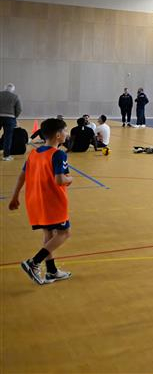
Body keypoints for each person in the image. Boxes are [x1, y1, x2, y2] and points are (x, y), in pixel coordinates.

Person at [7, 118, 73, 285]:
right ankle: (34, 262)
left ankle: (51, 271)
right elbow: (59, 180)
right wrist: (69, 178)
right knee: (64, 233)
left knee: (48, 234)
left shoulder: (34, 153)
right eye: (65, 131)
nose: (66, 134)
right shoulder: (58, 154)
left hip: (35, 200)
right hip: (53, 201)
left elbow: (22, 175)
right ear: (58, 135)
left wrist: (15, 196)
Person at [0, 83, 22, 161]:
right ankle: (6, 156)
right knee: (7, 137)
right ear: (13, 90)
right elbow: (19, 109)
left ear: (5, 88)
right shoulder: (15, 97)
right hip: (10, 118)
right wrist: (14, 116)